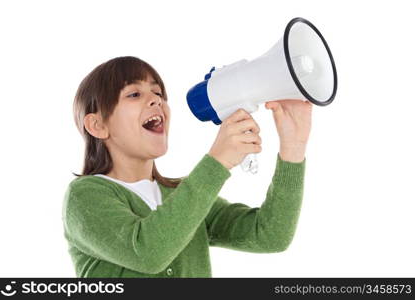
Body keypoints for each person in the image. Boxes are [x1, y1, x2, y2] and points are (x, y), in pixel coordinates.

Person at [62, 56, 312, 278]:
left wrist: (293, 147)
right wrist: (217, 163)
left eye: (159, 93)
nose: (156, 101)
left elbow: (271, 235)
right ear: (97, 125)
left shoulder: (182, 194)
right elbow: (148, 253)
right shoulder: (85, 197)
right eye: (134, 94)